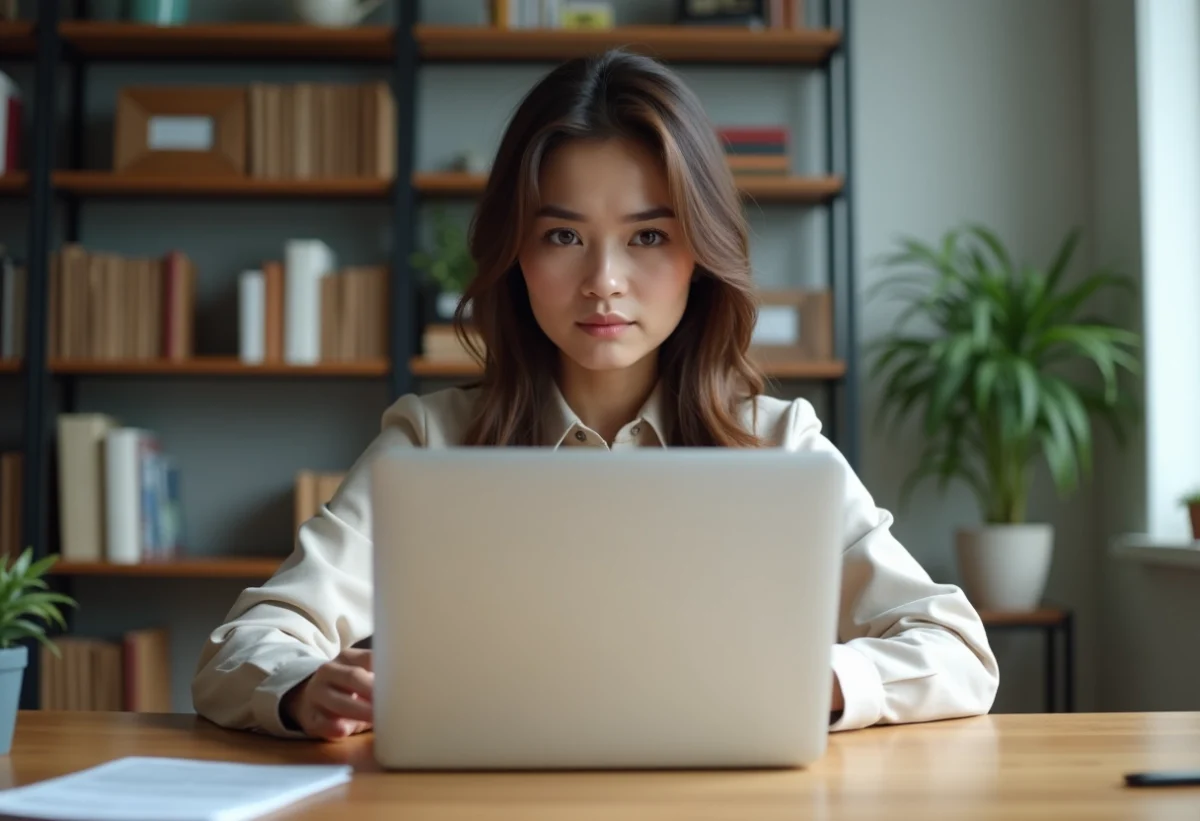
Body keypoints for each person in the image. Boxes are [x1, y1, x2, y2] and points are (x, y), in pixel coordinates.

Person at [192, 49, 999, 741]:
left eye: (648, 236)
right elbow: (242, 646)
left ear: (700, 254)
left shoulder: (777, 443)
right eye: (563, 236)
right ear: (515, 255)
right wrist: (302, 689)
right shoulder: (431, 441)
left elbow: (957, 649)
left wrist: (809, 679)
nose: (603, 281)